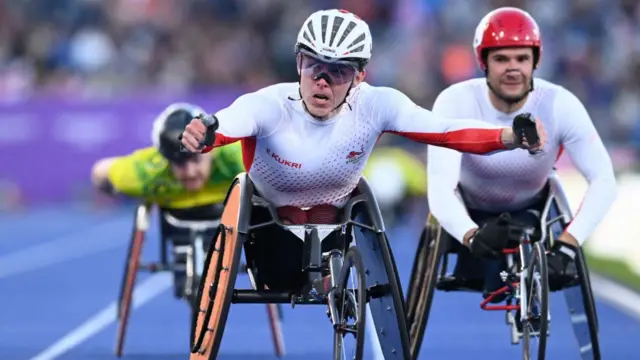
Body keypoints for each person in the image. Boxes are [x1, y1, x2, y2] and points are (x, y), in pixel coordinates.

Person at [178, 9, 546, 293]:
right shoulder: (268, 104)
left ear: (359, 76)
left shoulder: (377, 105)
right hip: (268, 222)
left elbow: (445, 132)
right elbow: (224, 123)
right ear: (298, 63)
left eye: (337, 72)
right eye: (314, 66)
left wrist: (509, 136)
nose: (322, 80)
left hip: (338, 217)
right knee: (281, 281)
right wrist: (204, 133)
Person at [425, 7, 617, 297]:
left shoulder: (560, 104)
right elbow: (440, 188)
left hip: (532, 213)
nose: (513, 68)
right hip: (470, 213)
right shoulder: (454, 102)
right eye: (501, 59)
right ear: (484, 62)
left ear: (535, 62)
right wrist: (471, 234)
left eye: (522, 58)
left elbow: (604, 180)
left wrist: (567, 246)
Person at [91, 102, 245, 296]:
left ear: (211, 149)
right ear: (165, 159)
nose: (190, 172)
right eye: (179, 164)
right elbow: (100, 171)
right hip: (176, 224)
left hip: (227, 221)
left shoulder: (235, 156)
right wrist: (111, 189)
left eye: (196, 160)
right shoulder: (150, 170)